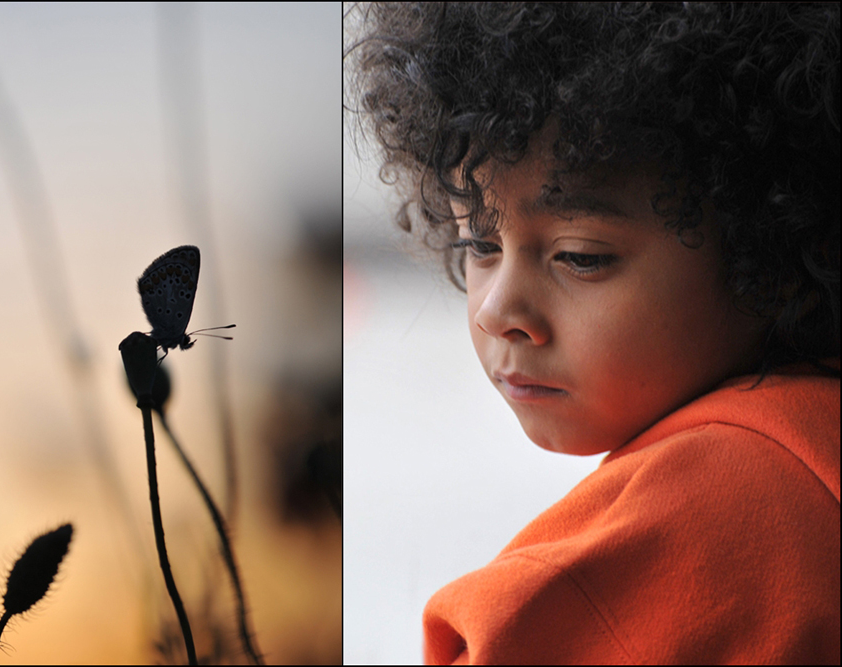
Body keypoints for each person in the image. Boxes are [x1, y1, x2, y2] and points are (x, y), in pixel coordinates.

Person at [347, 3, 840, 663]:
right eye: (479, 242)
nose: (496, 309)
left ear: (771, 250)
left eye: (580, 256)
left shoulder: (715, 504)